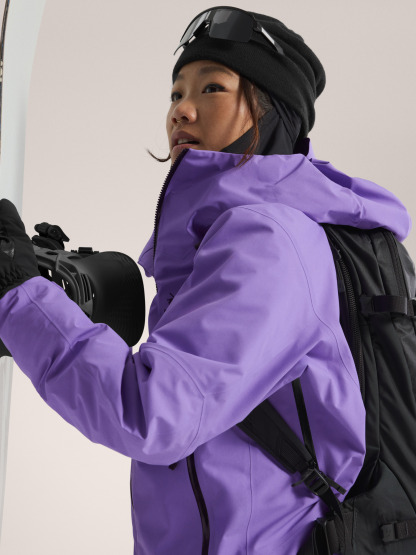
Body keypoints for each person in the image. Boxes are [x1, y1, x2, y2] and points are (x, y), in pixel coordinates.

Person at [0, 6, 411, 555]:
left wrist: (22, 300)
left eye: (212, 88)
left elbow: (153, 415)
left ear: (271, 110)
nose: (181, 110)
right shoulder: (234, 237)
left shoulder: (269, 241)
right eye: (175, 94)